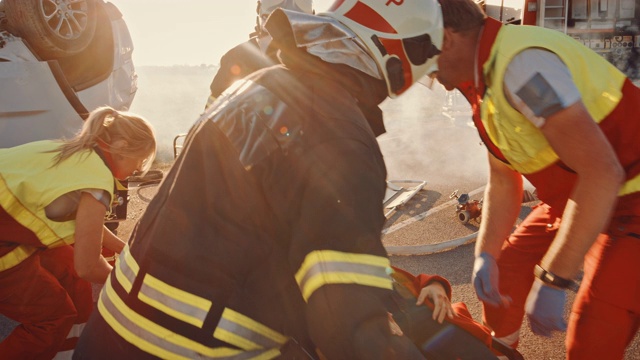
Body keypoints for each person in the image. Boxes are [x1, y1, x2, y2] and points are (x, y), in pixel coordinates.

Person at [73, 0, 446, 358]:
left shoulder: (261, 83)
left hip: (109, 330)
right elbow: (346, 325)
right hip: (193, 348)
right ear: (401, 54)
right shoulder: (343, 140)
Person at [433, 0, 640, 358]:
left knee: (593, 332)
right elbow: (502, 178)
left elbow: (603, 173)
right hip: (581, 195)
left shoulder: (522, 66)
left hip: (630, 200)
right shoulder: (485, 79)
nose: (426, 74)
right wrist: (486, 256)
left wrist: (554, 277)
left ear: (446, 38)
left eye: (418, 51)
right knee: (506, 272)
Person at [0, 106, 157, 359]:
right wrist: (126, 286)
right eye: (138, 162)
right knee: (53, 317)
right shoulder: (97, 183)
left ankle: (68, 352)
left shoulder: (75, 154)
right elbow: (88, 266)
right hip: (4, 241)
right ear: (122, 145)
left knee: (72, 276)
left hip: (8, 229)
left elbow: (90, 225)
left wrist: (125, 250)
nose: (137, 171)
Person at [204, 0, 314, 109]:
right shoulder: (237, 57)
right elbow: (212, 112)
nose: (288, 6)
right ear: (259, 9)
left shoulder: (324, 56)